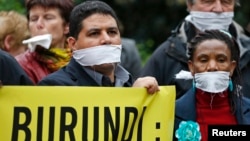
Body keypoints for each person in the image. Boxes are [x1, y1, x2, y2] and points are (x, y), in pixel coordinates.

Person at [38, 0, 159, 94]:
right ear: (73, 44)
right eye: (94, 33)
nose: (106, 39)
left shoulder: (130, 84)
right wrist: (133, 101)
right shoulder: (54, 87)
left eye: (112, 32)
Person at [140, 0, 250, 99]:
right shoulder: (167, 54)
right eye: (208, 1)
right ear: (190, 4)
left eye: (226, 2)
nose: (218, 9)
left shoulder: (247, 51)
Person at [174, 30, 250, 141]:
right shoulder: (172, 112)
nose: (212, 67)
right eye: (203, 60)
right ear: (191, 67)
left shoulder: (247, 110)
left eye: (221, 60)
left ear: (232, 67)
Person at [15, 0, 74, 84]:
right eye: (34, 19)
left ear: (66, 26)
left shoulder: (81, 59)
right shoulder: (20, 65)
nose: (39, 24)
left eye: (48, 18)